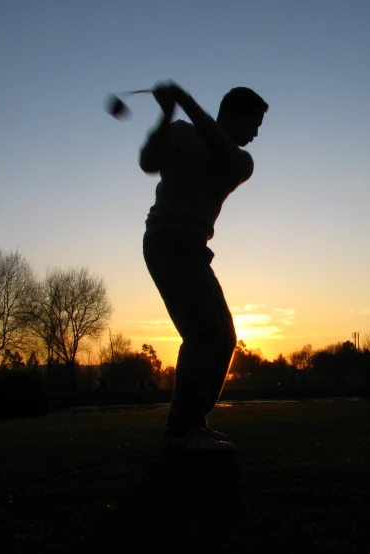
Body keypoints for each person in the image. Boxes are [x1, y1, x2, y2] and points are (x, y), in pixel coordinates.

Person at [140, 82, 268, 452]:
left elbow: (223, 156)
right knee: (203, 333)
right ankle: (181, 432)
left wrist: (185, 102)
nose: (257, 134)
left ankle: (193, 423)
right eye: (255, 123)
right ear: (233, 114)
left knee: (224, 337)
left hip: (192, 249)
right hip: (167, 240)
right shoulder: (182, 132)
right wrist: (168, 112)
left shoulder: (242, 162)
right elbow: (149, 161)